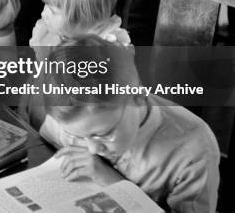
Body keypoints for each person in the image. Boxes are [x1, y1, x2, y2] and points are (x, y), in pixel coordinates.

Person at [28, 36, 219, 213]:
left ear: (137, 97)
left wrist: (114, 183)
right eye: (78, 136)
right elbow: (45, 140)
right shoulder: (71, 111)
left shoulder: (194, 152)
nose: (92, 150)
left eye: (105, 133)